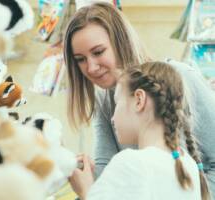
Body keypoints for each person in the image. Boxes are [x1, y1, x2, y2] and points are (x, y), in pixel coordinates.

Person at [63, 2, 215, 198]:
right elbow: (105, 172)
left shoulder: (181, 77)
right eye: (80, 59)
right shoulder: (104, 101)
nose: (90, 68)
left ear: (121, 41)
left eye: (98, 52)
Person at [69, 61, 210, 199]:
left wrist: (85, 190)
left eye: (117, 102)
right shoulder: (187, 164)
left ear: (139, 100)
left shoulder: (130, 163)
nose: (112, 118)